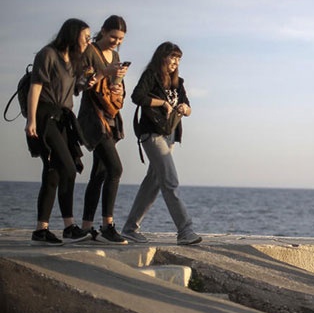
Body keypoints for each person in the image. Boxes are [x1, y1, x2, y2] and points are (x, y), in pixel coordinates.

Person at [120, 42, 202, 245]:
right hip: (152, 134)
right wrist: (162, 103)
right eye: (172, 57)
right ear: (162, 57)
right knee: (170, 180)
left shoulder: (178, 82)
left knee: (153, 183)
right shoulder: (151, 75)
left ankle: (130, 228)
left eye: (178, 59)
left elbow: (189, 108)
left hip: (170, 135)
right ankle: (185, 230)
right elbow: (137, 96)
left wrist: (183, 108)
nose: (175, 62)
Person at [25, 18, 92, 246]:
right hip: (45, 116)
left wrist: (89, 80)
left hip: (64, 119)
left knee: (53, 172)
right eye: (86, 37)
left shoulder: (72, 61)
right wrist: (31, 120)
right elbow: (35, 87)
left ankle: (41, 231)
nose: (88, 41)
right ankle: (69, 227)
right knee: (68, 168)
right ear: (73, 35)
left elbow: (74, 90)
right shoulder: (48, 54)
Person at [77, 15, 129, 244]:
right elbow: (82, 85)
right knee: (115, 169)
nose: (116, 42)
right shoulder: (90, 52)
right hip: (93, 119)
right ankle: (108, 225)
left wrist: (118, 81)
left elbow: (115, 88)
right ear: (103, 32)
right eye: (113, 37)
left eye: (120, 39)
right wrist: (104, 74)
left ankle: (87, 227)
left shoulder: (115, 55)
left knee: (98, 174)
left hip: (110, 117)